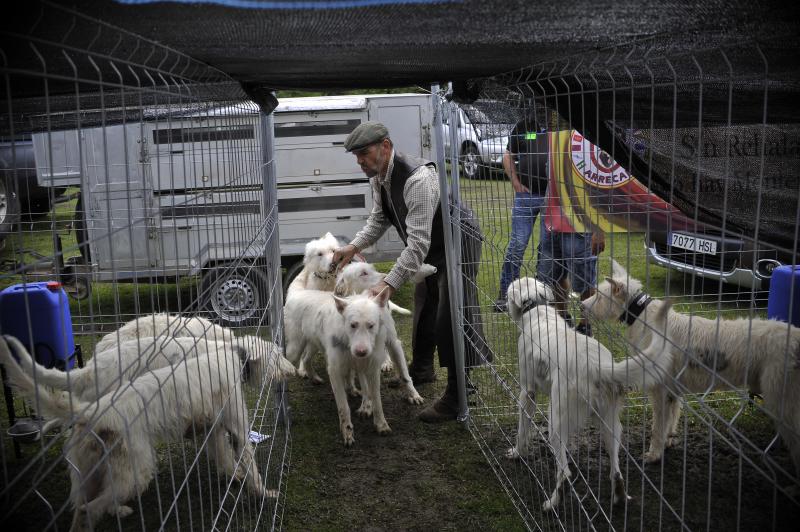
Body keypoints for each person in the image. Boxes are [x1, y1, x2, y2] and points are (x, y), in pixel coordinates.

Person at [332, 121, 490, 423]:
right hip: (432, 243)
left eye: (364, 154)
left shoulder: (417, 179)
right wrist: (352, 247)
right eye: (356, 156)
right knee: (425, 301)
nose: (360, 162)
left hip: (459, 241)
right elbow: (379, 220)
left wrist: (388, 284)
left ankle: (458, 396)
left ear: (386, 147)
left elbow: (416, 244)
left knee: (453, 311)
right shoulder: (379, 176)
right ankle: (421, 370)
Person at [493, 114, 549, 313]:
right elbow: (508, 155)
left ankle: (542, 297)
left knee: (547, 248)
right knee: (517, 244)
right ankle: (505, 295)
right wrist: (515, 182)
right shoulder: (525, 124)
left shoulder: (561, 122)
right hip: (525, 196)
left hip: (552, 199)